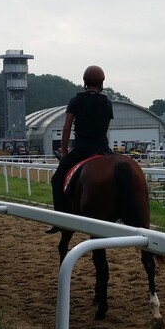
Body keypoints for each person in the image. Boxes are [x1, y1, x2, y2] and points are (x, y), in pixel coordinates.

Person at [46, 65, 115, 234]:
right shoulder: (107, 102)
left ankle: (59, 220)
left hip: (81, 150)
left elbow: (66, 128)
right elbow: (105, 128)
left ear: (85, 82)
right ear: (101, 83)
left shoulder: (76, 101)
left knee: (56, 179)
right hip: (103, 149)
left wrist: (64, 151)